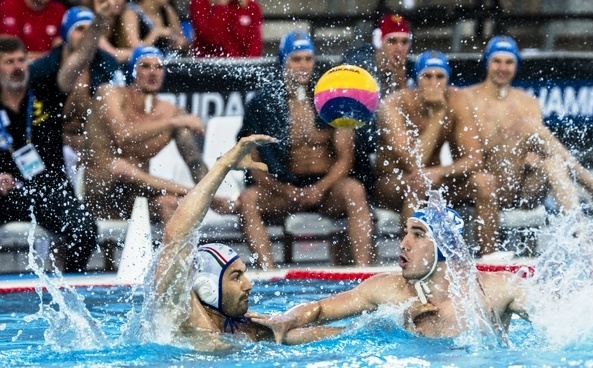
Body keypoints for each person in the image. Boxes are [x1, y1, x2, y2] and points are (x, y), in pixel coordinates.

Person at [247, 199, 529, 345]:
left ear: (445, 246)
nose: (404, 243)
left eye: (418, 235)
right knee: (289, 335)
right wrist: (287, 318)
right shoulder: (385, 290)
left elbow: (562, 329)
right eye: (405, 233)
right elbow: (320, 308)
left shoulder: (498, 290)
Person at [151, 134, 340, 350]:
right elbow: (175, 237)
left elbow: (312, 336)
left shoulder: (244, 329)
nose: (248, 285)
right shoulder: (179, 317)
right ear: (207, 287)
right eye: (236, 277)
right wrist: (224, 166)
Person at [236, 31, 374, 270]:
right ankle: (268, 273)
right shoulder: (263, 103)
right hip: (284, 189)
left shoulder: (331, 99)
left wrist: (320, 188)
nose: (303, 65)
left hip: (327, 189)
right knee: (248, 200)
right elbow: (252, 160)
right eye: (296, 59)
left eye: (308, 59)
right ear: (283, 62)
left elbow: (345, 157)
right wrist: (285, 190)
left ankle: (362, 271)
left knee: (354, 190)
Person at [463, 35, 593, 257]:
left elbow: (538, 148)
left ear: (516, 65)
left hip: (523, 187)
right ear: (486, 62)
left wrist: (533, 157)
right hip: (486, 185)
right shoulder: (468, 98)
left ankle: (579, 234)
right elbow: (465, 148)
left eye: (509, 62)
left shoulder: (528, 102)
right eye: (497, 61)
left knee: (553, 162)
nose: (503, 68)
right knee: (528, 127)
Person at [0, 30, 107, 273]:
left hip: (49, 191)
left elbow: (79, 59)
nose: (18, 67)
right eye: (9, 62)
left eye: (21, 60)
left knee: (85, 229)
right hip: (7, 195)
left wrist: (98, 22)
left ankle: (68, 289)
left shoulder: (44, 90)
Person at [83, 45, 224, 227]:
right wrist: (194, 193)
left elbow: (194, 161)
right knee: (121, 168)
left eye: (159, 67)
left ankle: (174, 256)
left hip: (135, 197)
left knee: (170, 203)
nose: (153, 73)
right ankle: (193, 193)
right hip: (101, 193)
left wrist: (211, 192)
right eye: (145, 66)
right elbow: (124, 136)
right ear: (132, 71)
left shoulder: (171, 113)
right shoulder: (109, 94)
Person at [374, 51, 486, 241]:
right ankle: (410, 261)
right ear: (416, 80)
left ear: (447, 79)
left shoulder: (457, 100)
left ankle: (489, 260)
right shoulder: (393, 105)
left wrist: (439, 172)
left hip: (434, 180)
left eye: (440, 76)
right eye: (427, 76)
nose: (434, 83)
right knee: (418, 186)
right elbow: (412, 163)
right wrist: (437, 114)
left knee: (485, 182)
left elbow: (475, 159)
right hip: (394, 183)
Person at [342, 13, 414, 198]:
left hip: (388, 154)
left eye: (404, 42)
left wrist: (401, 86)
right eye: (392, 42)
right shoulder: (357, 67)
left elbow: (411, 125)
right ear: (379, 42)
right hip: (360, 151)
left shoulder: (412, 71)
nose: (399, 49)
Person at [58, 5, 124, 190]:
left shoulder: (109, 65)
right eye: (80, 29)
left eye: (92, 29)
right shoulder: (49, 67)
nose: (87, 35)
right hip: (56, 150)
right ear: (66, 33)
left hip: (95, 151)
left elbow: (120, 118)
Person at [190, 0, 263, 58]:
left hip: (242, 65)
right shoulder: (200, 3)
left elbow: (255, 42)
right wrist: (222, 6)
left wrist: (249, 64)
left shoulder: (251, 6)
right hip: (210, 64)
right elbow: (213, 37)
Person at [0, 0, 66, 60]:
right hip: (20, 66)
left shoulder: (58, 10)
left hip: (52, 67)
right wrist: (50, 56)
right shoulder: (8, 7)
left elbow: (62, 50)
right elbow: (10, 53)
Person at [121, 0, 189, 56]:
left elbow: (182, 40)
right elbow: (136, 49)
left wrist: (179, 42)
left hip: (165, 62)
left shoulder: (167, 10)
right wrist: (156, 33)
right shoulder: (131, 12)